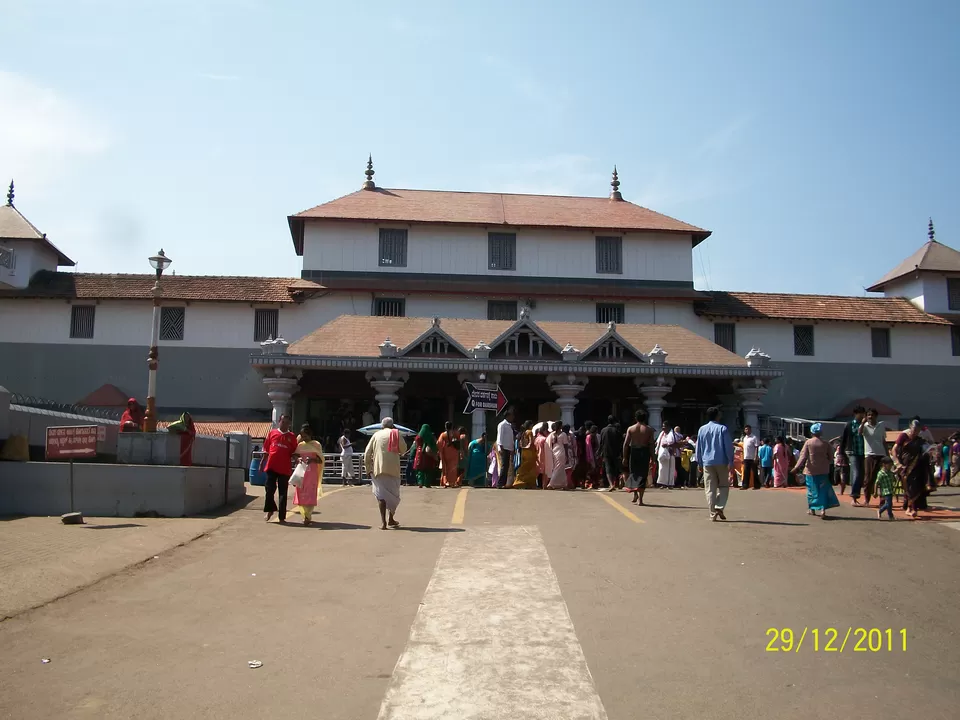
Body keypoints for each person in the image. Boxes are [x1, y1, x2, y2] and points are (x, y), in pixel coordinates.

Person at [363, 417, 407, 529]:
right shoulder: (396, 434)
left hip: (379, 469)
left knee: (381, 496)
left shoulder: (376, 435)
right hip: (394, 470)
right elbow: (404, 450)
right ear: (393, 426)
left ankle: (383, 523)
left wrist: (368, 468)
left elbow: (367, 453)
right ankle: (391, 519)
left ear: (382, 426)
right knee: (394, 496)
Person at [694, 407, 734, 521]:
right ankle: (719, 506)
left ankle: (712, 513)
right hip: (721, 461)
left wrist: (699, 462)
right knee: (724, 486)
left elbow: (699, 447)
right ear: (718, 415)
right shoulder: (722, 429)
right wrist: (730, 461)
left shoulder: (702, 429)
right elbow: (728, 447)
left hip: (707, 462)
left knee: (710, 488)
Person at [794, 423, 840, 519]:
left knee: (812, 490)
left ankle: (812, 509)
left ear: (811, 432)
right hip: (823, 470)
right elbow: (831, 457)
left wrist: (796, 467)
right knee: (822, 490)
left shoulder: (808, 442)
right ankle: (823, 509)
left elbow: (803, 456)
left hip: (811, 471)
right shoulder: (825, 443)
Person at [260, 414, 298, 523]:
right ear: (279, 421)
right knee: (269, 490)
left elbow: (294, 452)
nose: (285, 424)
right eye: (283, 422)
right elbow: (266, 449)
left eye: (287, 422)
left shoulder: (292, 436)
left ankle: (282, 517)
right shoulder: (272, 433)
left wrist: (297, 460)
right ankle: (270, 510)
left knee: (283, 493)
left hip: (284, 469)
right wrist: (262, 461)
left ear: (289, 423)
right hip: (271, 466)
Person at [893, 419, 931, 518]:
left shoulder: (920, 440)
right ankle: (911, 508)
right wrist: (897, 463)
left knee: (914, 488)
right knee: (908, 487)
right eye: (914, 429)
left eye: (918, 430)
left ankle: (911, 508)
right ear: (910, 427)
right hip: (904, 467)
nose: (915, 432)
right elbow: (894, 449)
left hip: (916, 467)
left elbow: (927, 450)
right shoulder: (903, 436)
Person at [293, 424, 324, 526]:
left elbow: (320, 460)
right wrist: (298, 459)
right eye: (302, 436)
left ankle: (308, 516)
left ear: (310, 435)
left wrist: (312, 459)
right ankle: (304, 515)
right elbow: (294, 456)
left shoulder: (316, 445)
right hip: (301, 474)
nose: (304, 438)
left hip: (312, 474)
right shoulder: (299, 445)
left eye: (306, 436)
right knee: (301, 494)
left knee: (310, 494)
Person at [622, 410, 655, 504]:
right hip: (644, 452)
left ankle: (635, 494)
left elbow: (626, 444)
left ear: (635, 418)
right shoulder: (649, 430)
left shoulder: (631, 429)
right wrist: (653, 457)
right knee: (642, 476)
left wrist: (624, 457)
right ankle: (640, 499)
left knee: (634, 474)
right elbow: (651, 444)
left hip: (634, 452)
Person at [859, 408, 886, 507]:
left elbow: (883, 440)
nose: (870, 417)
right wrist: (862, 423)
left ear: (876, 416)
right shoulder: (865, 426)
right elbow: (859, 433)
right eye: (868, 415)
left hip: (881, 454)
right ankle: (867, 499)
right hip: (869, 455)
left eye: (872, 415)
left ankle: (882, 501)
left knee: (882, 478)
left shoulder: (881, 425)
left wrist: (887, 454)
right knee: (868, 479)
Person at [841, 405, 867, 505]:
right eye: (861, 413)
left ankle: (859, 496)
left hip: (864, 452)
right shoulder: (850, 425)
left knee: (862, 475)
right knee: (856, 473)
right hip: (853, 452)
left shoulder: (865, 425)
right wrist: (841, 452)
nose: (862, 416)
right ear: (856, 414)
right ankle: (854, 496)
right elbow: (844, 439)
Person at [599, 416, 622, 492]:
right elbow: (620, 442)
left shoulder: (603, 430)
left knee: (608, 468)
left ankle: (611, 484)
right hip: (615, 452)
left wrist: (599, 452)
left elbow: (601, 443)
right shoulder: (616, 430)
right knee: (615, 468)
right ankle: (616, 483)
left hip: (606, 452)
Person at [513, 420, 539, 488]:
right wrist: (529, 447)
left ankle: (520, 481)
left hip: (524, 452)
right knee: (530, 468)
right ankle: (529, 483)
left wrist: (524, 447)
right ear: (530, 425)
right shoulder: (530, 432)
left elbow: (521, 443)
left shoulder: (523, 432)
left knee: (524, 467)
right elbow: (531, 442)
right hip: (530, 452)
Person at [495, 408, 516, 489]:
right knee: (504, 466)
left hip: (508, 448)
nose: (513, 417)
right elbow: (499, 436)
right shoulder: (502, 425)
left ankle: (503, 483)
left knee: (506, 466)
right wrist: (500, 447)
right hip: (504, 448)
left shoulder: (510, 425)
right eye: (511, 416)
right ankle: (500, 483)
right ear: (508, 416)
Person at [654, 421, 678, 489]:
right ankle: (663, 483)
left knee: (670, 469)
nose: (663, 428)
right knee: (662, 469)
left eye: (664, 427)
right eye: (663, 426)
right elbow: (657, 442)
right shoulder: (661, 434)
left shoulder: (673, 434)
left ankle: (670, 484)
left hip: (670, 453)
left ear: (668, 427)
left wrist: (667, 445)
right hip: (662, 454)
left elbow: (676, 443)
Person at [546, 422, 569, 490]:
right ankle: (551, 483)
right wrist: (567, 455)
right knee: (558, 468)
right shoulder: (563, 434)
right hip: (561, 451)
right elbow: (566, 445)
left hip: (554, 451)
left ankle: (564, 484)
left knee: (561, 468)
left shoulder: (552, 434)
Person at [438, 421, 461, 488]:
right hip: (454, 451)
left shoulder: (443, 434)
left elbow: (439, 443)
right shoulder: (456, 433)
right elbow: (459, 442)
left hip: (446, 450)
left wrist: (440, 452)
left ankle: (445, 482)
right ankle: (452, 482)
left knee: (445, 467)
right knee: (453, 467)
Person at [875, 456, 896, 520]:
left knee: (889, 504)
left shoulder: (889, 472)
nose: (890, 467)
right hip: (885, 490)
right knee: (889, 503)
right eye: (889, 465)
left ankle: (886, 513)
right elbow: (876, 483)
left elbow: (893, 477)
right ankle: (889, 515)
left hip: (890, 490)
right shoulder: (881, 473)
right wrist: (875, 492)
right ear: (884, 464)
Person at [739, 425, 760, 490]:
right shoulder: (744, 438)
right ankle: (745, 485)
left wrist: (756, 457)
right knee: (746, 472)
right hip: (746, 457)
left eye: (748, 429)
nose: (747, 430)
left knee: (754, 472)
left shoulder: (754, 437)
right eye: (746, 429)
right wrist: (743, 458)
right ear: (744, 430)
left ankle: (756, 485)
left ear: (750, 430)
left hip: (752, 457)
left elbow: (756, 447)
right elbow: (744, 448)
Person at [584, 423, 600, 489]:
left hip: (595, 455)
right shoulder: (589, 437)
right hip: (590, 455)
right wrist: (590, 458)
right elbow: (588, 448)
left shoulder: (596, 436)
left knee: (596, 470)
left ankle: (595, 483)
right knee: (590, 470)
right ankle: (588, 483)